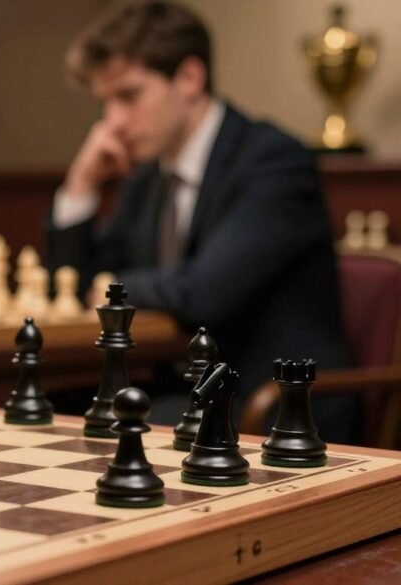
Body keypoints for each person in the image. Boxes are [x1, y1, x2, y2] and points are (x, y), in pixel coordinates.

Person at [44, 2, 356, 441]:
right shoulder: (149, 177)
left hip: (277, 404)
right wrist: (80, 188)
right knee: (40, 412)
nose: (111, 121)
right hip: (194, 393)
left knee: (95, 430)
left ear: (189, 78)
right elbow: (70, 286)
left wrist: (108, 284)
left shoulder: (274, 162)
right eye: (105, 101)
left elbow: (204, 293)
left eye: (128, 96)